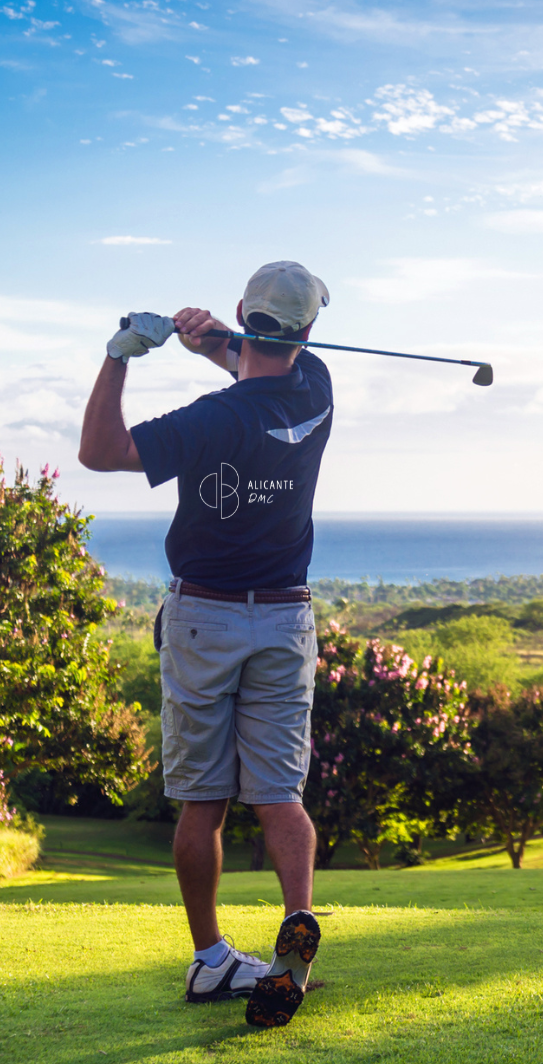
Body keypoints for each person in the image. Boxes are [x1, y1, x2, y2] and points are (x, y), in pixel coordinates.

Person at [78, 261, 334, 1029]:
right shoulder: (317, 387)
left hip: (205, 619)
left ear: (241, 312)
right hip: (286, 619)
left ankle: (212, 960)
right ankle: (296, 924)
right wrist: (212, 344)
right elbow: (255, 360)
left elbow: (100, 451)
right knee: (279, 796)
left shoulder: (208, 422)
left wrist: (121, 352)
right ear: (310, 330)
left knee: (203, 800)